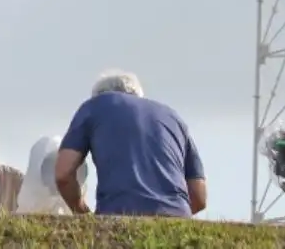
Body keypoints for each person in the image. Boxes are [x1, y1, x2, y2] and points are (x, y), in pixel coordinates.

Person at [54, 70, 206, 217]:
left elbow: (63, 174)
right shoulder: (174, 118)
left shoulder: (94, 106)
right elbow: (199, 197)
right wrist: (167, 215)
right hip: (178, 216)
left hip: (118, 212)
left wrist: (82, 213)